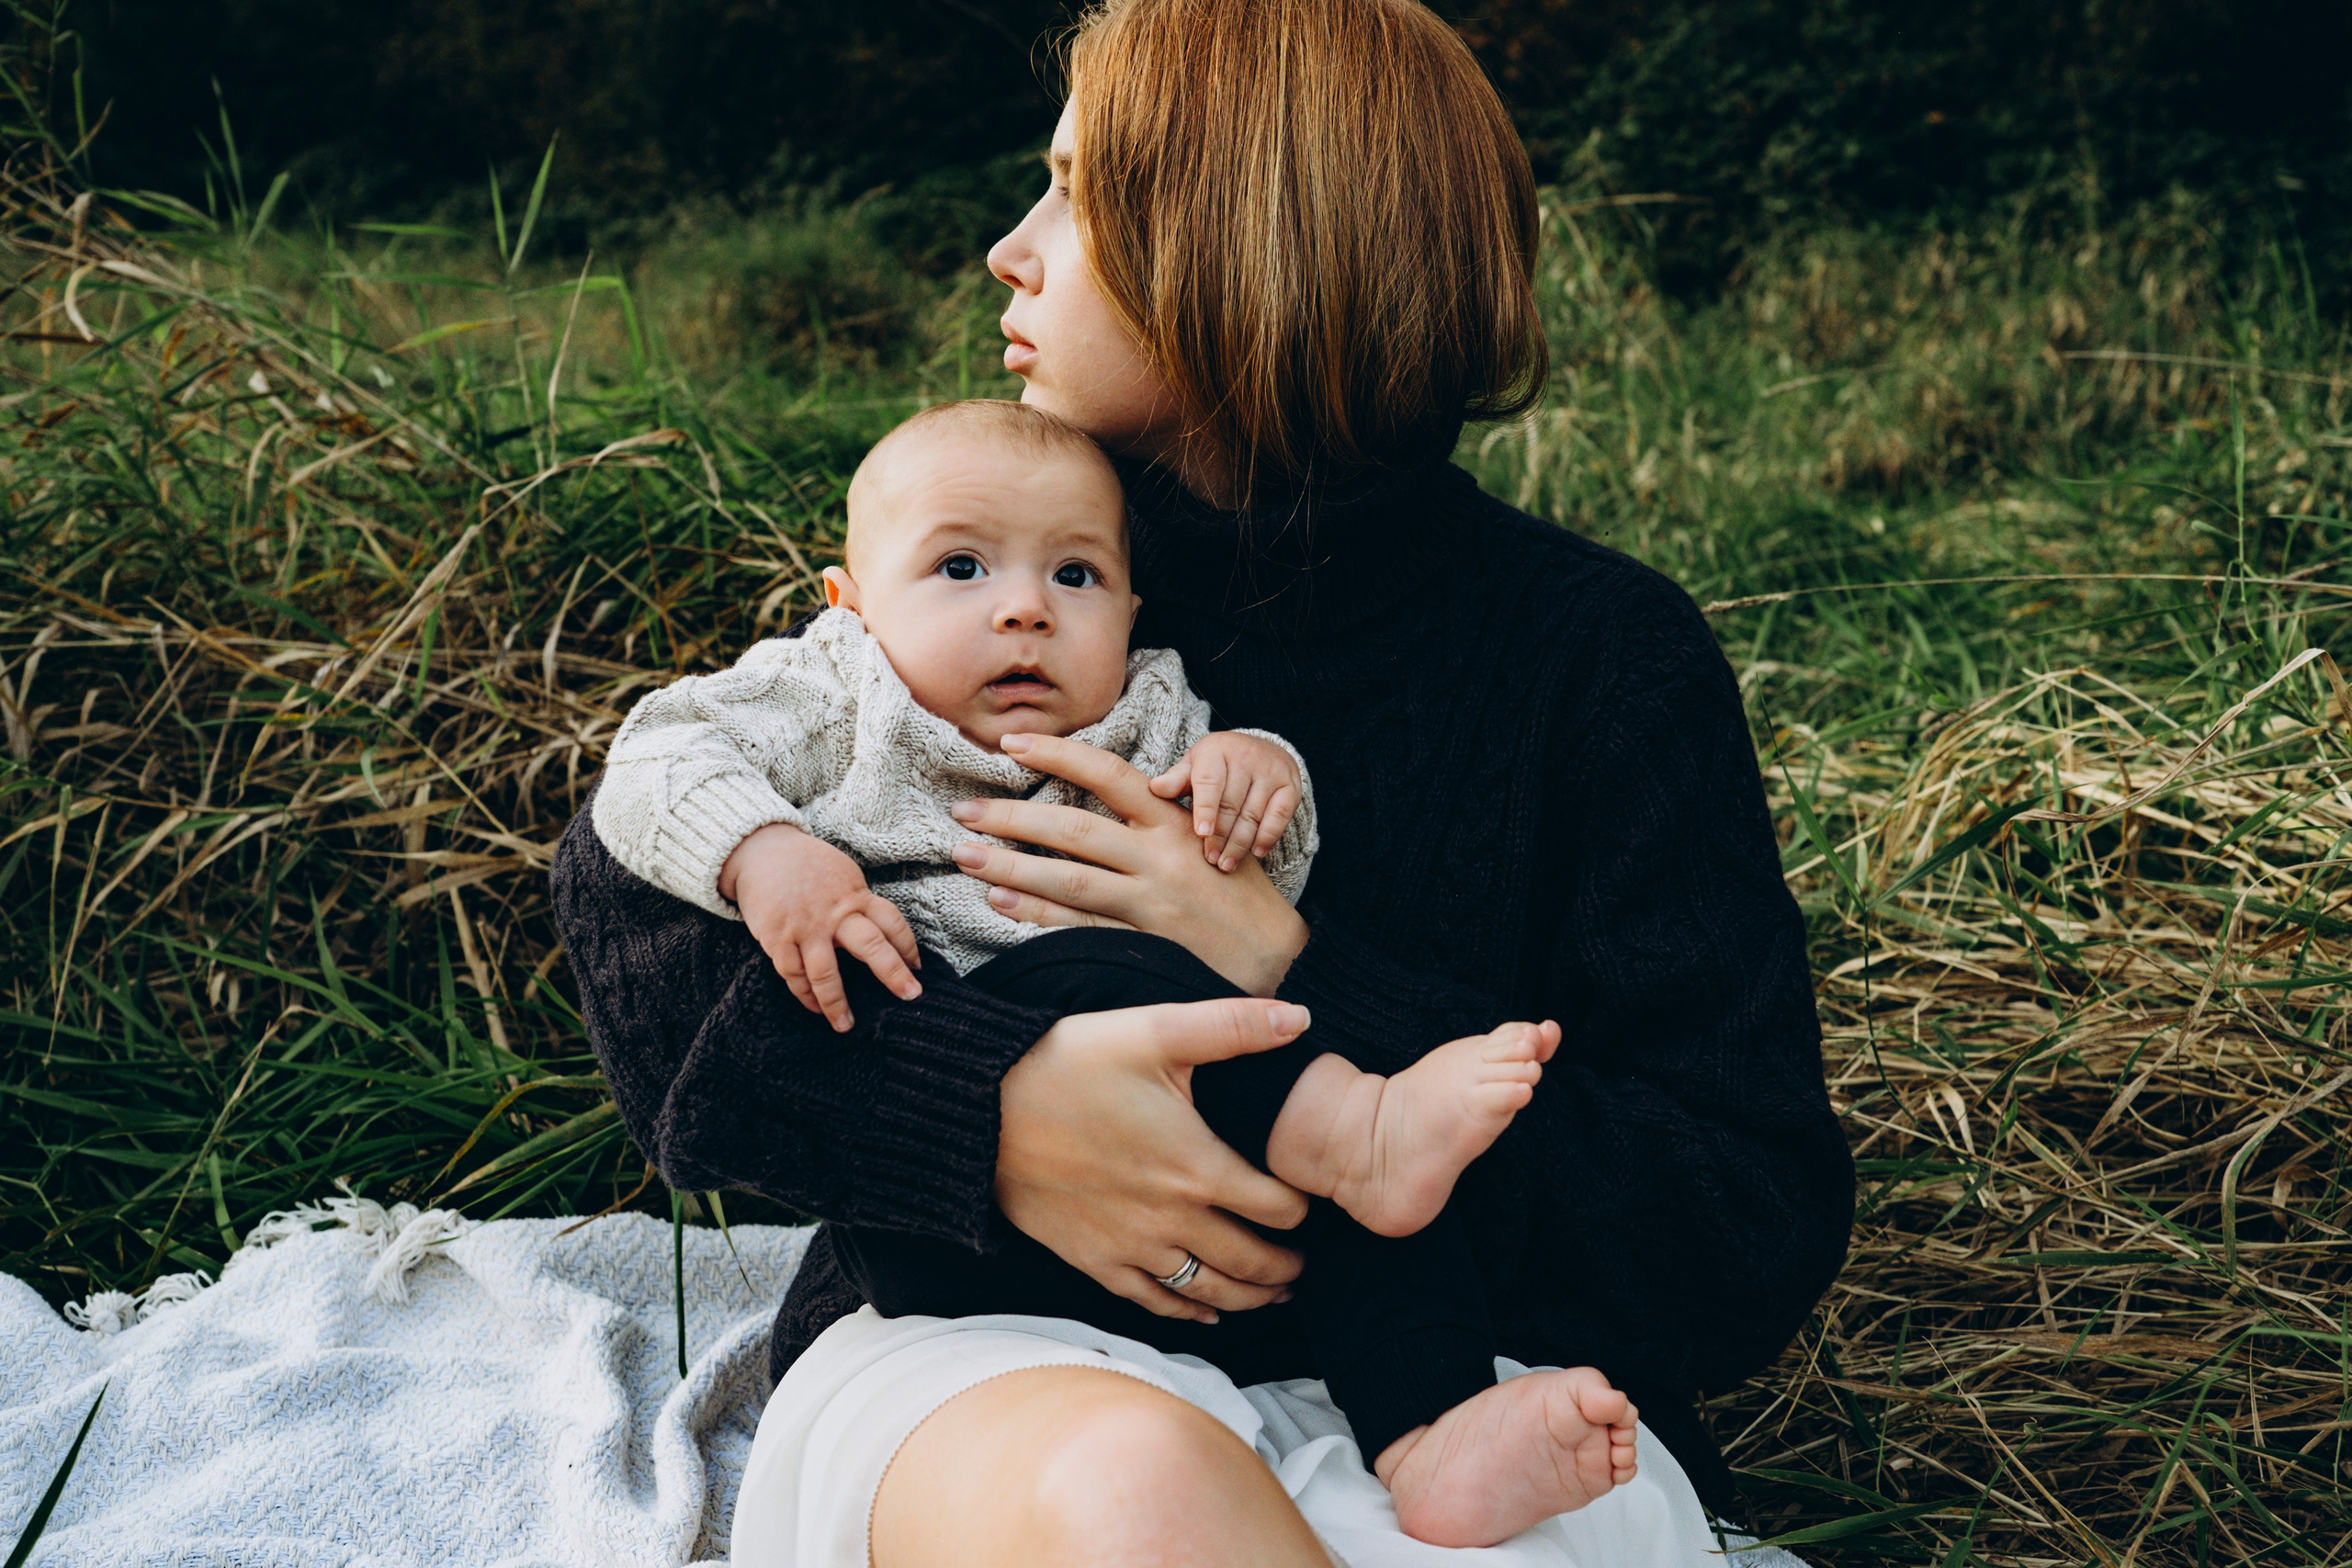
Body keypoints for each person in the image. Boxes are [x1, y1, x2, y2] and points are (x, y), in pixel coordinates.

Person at [549, 0, 1855, 1562]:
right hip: (992, 1349)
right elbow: (641, 919)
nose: (1010, 251)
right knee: (1136, 1502)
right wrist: (991, 1115)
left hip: (1484, 1394)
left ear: (1237, 247)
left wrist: (1291, 970)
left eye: (1074, 196)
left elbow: (1738, 1230)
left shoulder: (1598, 662)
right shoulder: (1001, 572)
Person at [587, 393, 1637, 1547]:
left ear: (1132, 609)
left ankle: (1427, 1432)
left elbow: (1266, 874)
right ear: (849, 603)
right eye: (961, 568)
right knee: (1106, 974)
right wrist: (760, 851)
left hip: (1221, 1221)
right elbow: (655, 756)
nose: (1026, 609)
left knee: (1352, 1175)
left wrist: (1254, 777)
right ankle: (1356, 1130)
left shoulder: (1149, 708)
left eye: (1077, 577)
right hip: (947, 1211)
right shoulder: (836, 692)